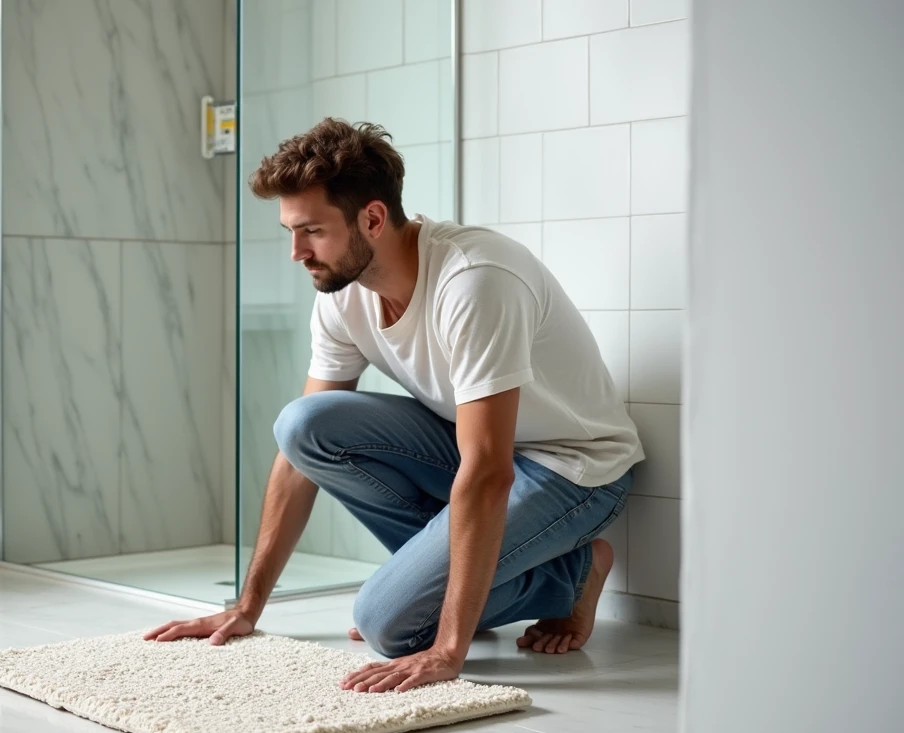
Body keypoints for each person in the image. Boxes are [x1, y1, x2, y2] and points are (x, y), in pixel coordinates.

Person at [145, 118, 644, 694]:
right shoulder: (342, 292)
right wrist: (248, 604)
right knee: (303, 424)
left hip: (573, 469)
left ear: (373, 219)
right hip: (471, 449)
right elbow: (299, 456)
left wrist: (447, 648)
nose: (296, 252)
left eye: (311, 231)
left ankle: (573, 575)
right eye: (290, 231)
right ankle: (442, 589)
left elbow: (487, 470)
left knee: (386, 622)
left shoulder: (475, 281)